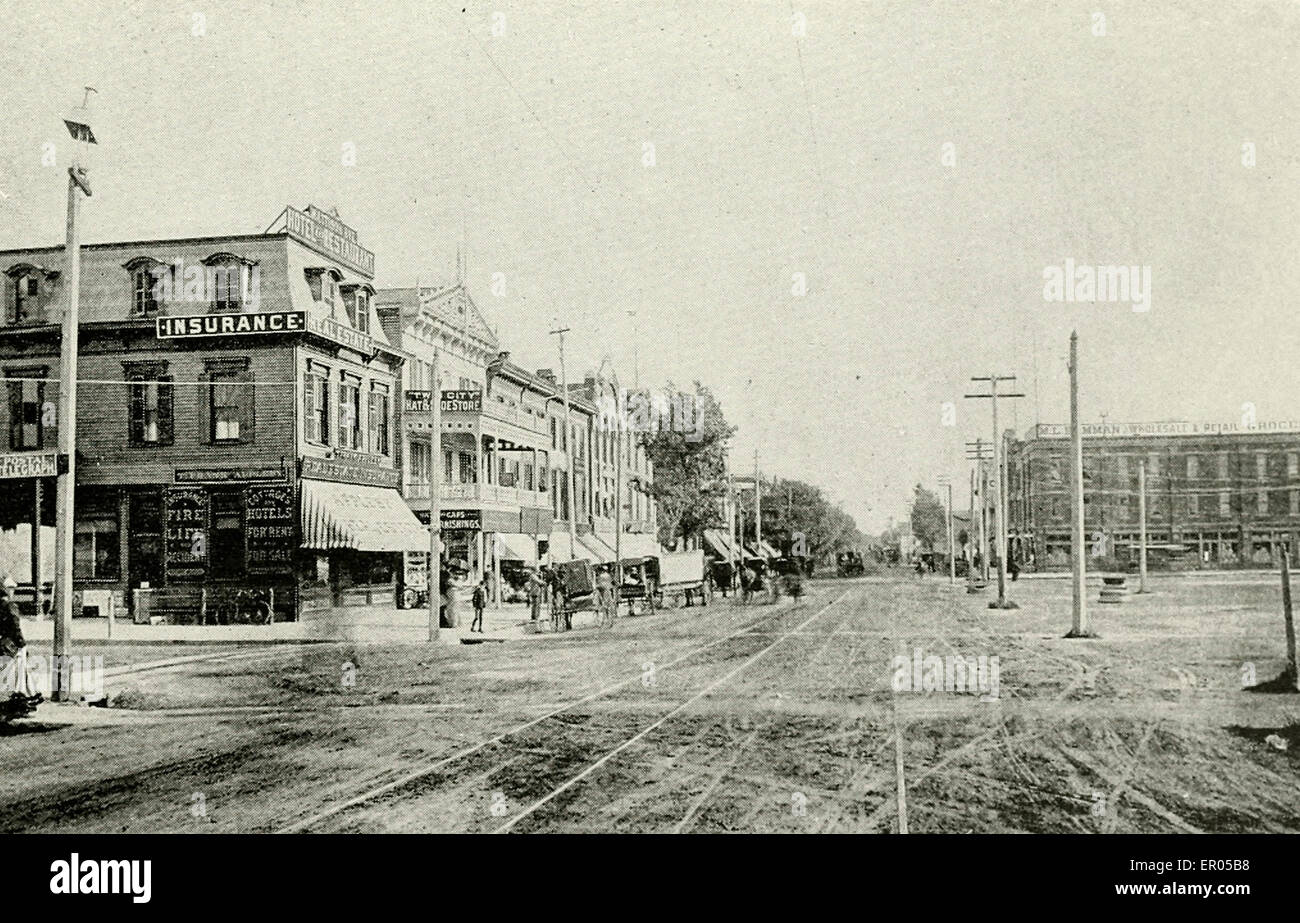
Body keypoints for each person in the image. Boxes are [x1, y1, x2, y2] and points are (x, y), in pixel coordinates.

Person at [0, 576, 30, 697]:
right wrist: (22, 644)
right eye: (11, 588)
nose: (13, 591)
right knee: (18, 673)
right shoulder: (10, 606)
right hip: (11, 644)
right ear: (6, 590)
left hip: (2, 642)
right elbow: (15, 627)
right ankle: (18, 697)